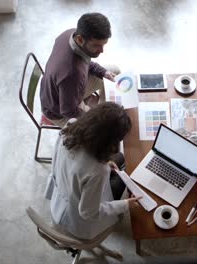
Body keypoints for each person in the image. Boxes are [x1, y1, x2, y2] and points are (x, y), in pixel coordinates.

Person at [44, 102, 141, 240]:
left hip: (60, 199)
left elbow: (58, 163)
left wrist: (106, 162)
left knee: (119, 159)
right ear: (109, 141)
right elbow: (88, 213)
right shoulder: (97, 171)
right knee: (123, 179)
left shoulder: (71, 126)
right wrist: (125, 205)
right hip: (75, 224)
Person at [40, 12, 119, 127]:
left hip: (64, 92)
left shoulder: (70, 34)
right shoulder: (72, 74)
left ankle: (101, 105)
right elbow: (68, 111)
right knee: (102, 126)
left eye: (103, 45)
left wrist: (104, 72)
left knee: (114, 70)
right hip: (59, 112)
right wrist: (94, 114)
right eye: (97, 45)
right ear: (80, 39)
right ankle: (100, 110)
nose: (102, 50)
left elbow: (85, 61)